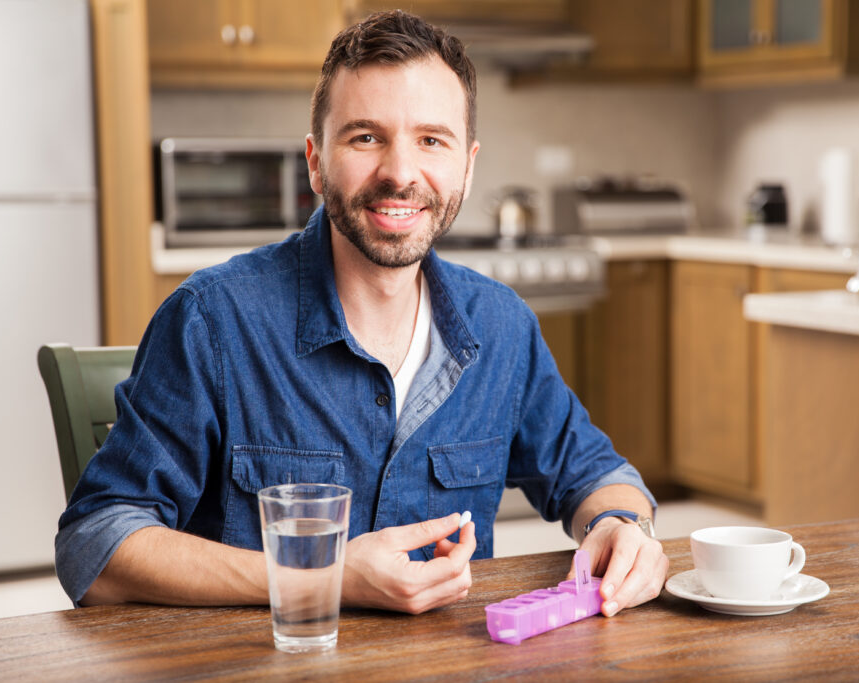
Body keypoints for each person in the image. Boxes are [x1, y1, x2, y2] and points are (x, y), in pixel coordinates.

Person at [55, 9, 668, 617]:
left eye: (431, 140)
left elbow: (595, 474)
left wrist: (623, 525)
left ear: (468, 165)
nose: (400, 173)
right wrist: (320, 576)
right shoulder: (211, 320)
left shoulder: (501, 326)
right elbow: (96, 545)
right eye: (366, 137)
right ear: (316, 161)